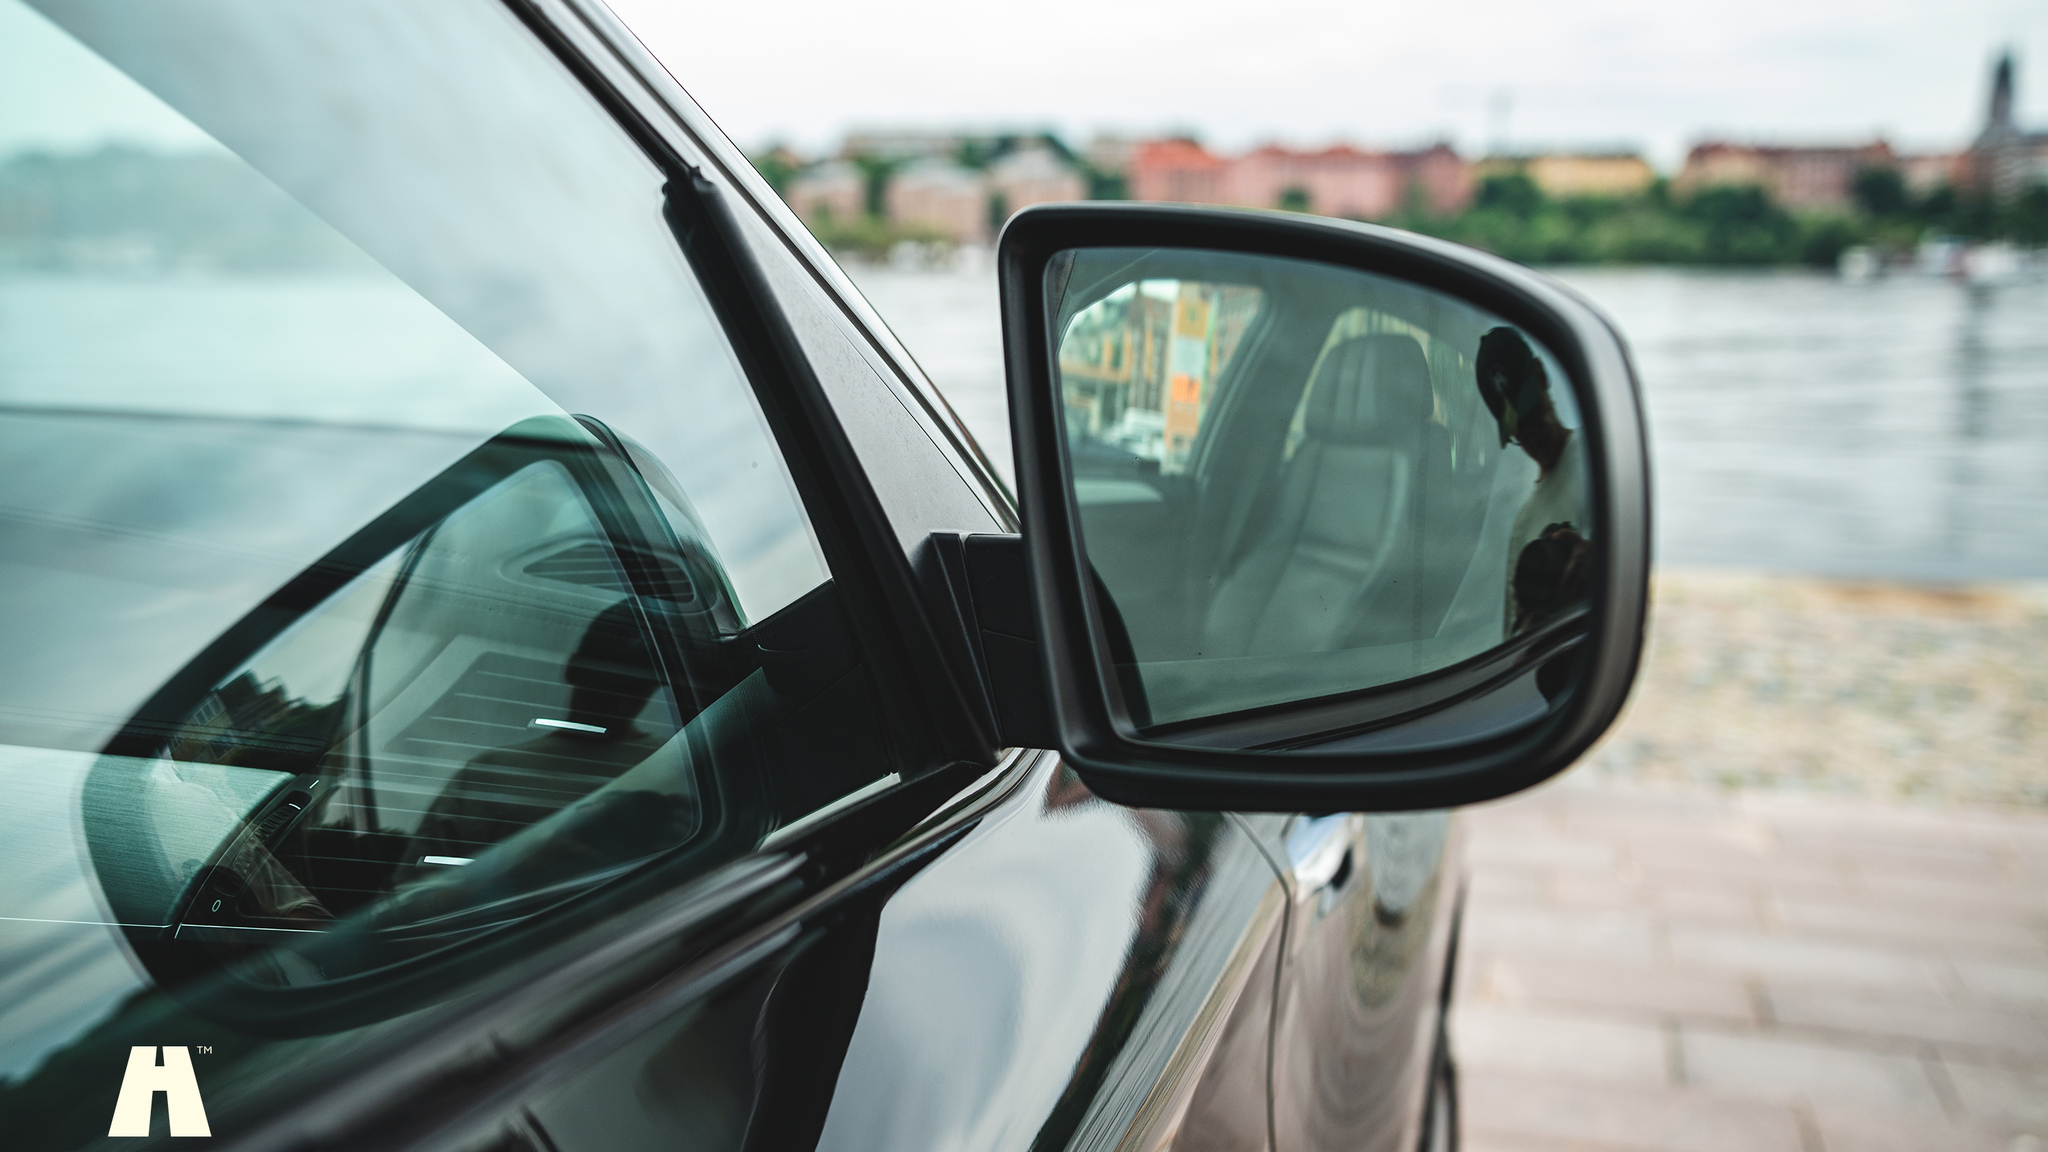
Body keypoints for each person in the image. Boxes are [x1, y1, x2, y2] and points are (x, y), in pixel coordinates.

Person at [1474, 327, 1590, 636]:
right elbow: (1514, 644)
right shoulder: (1524, 528)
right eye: (1517, 425)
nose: (1530, 431)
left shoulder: (1593, 458)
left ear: (1541, 375)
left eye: (1531, 408)